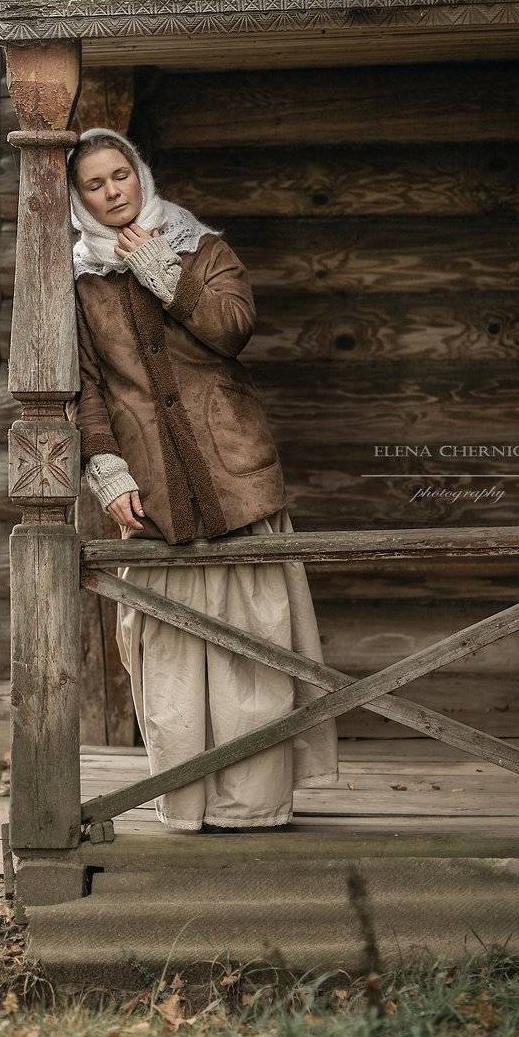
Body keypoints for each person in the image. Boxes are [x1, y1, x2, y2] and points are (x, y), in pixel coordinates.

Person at [68, 126, 339, 832]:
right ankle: (187, 803)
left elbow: (231, 328)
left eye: (120, 175)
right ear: (79, 200)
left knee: (255, 654)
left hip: (233, 476)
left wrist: (158, 266)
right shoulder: (80, 281)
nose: (112, 192)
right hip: (153, 491)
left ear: (139, 173)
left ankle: (253, 807)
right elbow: (88, 389)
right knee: (170, 664)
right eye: (94, 185)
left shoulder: (203, 249)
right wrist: (106, 471)